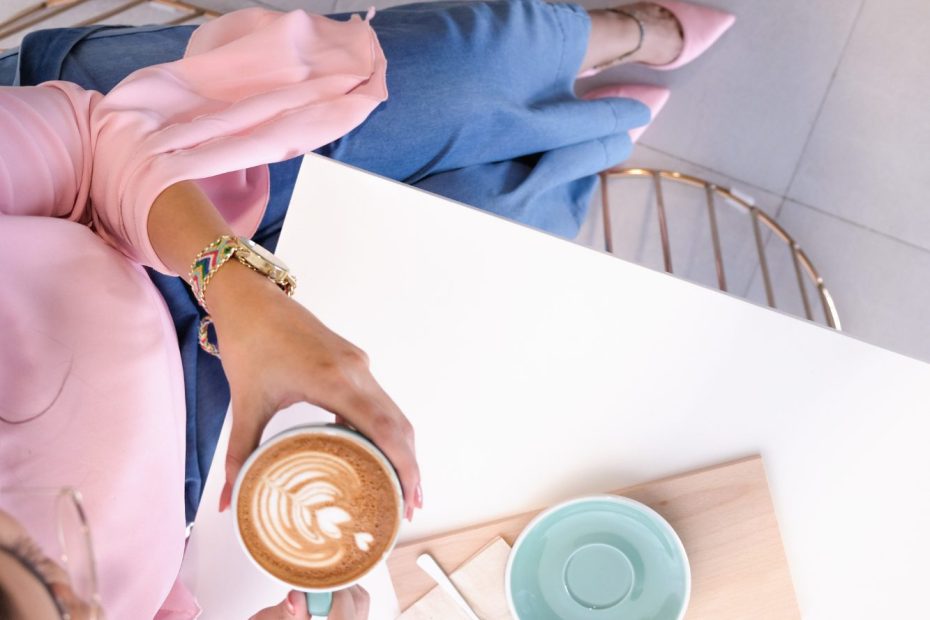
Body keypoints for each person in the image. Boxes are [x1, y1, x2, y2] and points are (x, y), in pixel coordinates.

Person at [0, 0, 733, 617]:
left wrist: (239, 289)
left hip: (107, 192)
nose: (80, 587)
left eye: (31, 554)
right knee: (493, 243)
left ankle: (611, 35)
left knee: (466, 76)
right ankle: (578, 143)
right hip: (186, 451)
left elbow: (84, 142)